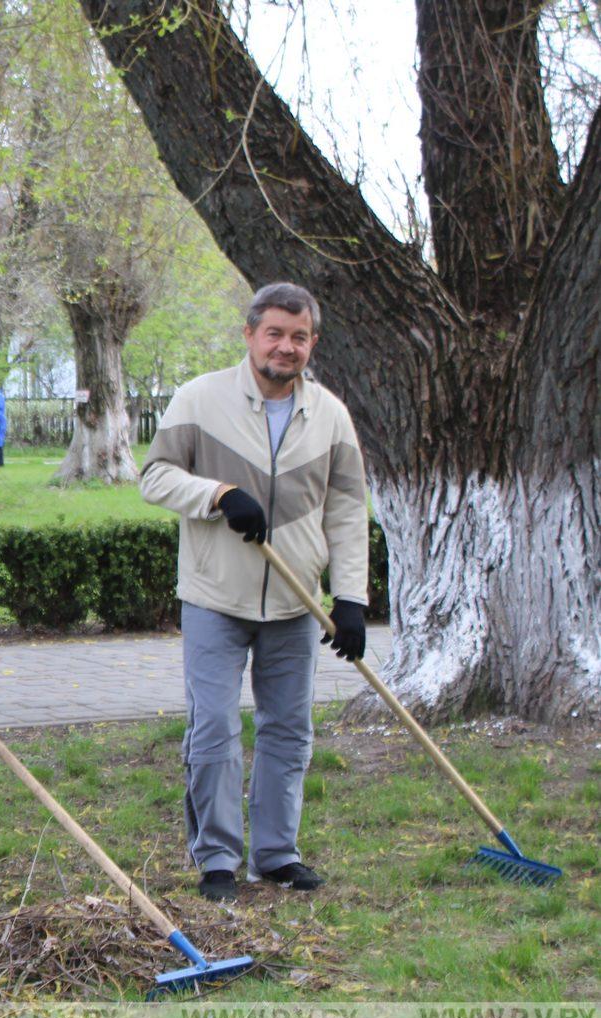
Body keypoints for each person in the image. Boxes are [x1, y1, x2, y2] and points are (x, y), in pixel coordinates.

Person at [139, 282, 368, 903]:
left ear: (312, 343)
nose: (286, 347)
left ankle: (276, 855)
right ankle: (216, 859)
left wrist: (350, 598)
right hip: (215, 596)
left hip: (297, 605)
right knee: (213, 727)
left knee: (289, 730)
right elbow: (154, 477)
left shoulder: (331, 416)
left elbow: (347, 512)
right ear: (250, 335)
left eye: (299, 337)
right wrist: (216, 496)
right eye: (274, 333)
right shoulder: (199, 398)